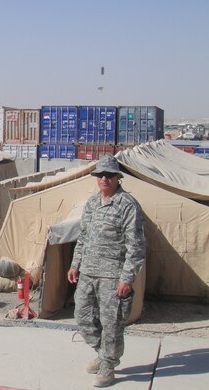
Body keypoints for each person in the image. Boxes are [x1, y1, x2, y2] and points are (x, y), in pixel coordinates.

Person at [67, 155, 146, 388]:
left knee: (112, 323)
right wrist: (75, 264)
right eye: (100, 175)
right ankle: (103, 353)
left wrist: (127, 278)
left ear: (117, 178)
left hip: (113, 276)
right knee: (82, 316)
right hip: (89, 272)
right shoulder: (92, 203)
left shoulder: (127, 205)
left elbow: (136, 246)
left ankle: (109, 365)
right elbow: (83, 237)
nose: (104, 179)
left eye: (109, 175)